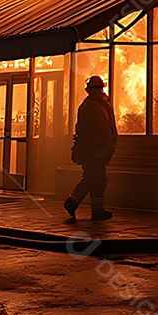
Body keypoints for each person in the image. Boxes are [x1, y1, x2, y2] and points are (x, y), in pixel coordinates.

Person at [65, 75, 118, 221]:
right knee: (95, 179)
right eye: (97, 88)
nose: (100, 90)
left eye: (101, 87)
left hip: (100, 150)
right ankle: (75, 204)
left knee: (94, 179)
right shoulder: (88, 106)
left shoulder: (102, 104)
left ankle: (89, 207)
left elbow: (109, 127)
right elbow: (88, 131)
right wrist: (100, 147)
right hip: (93, 151)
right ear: (90, 90)